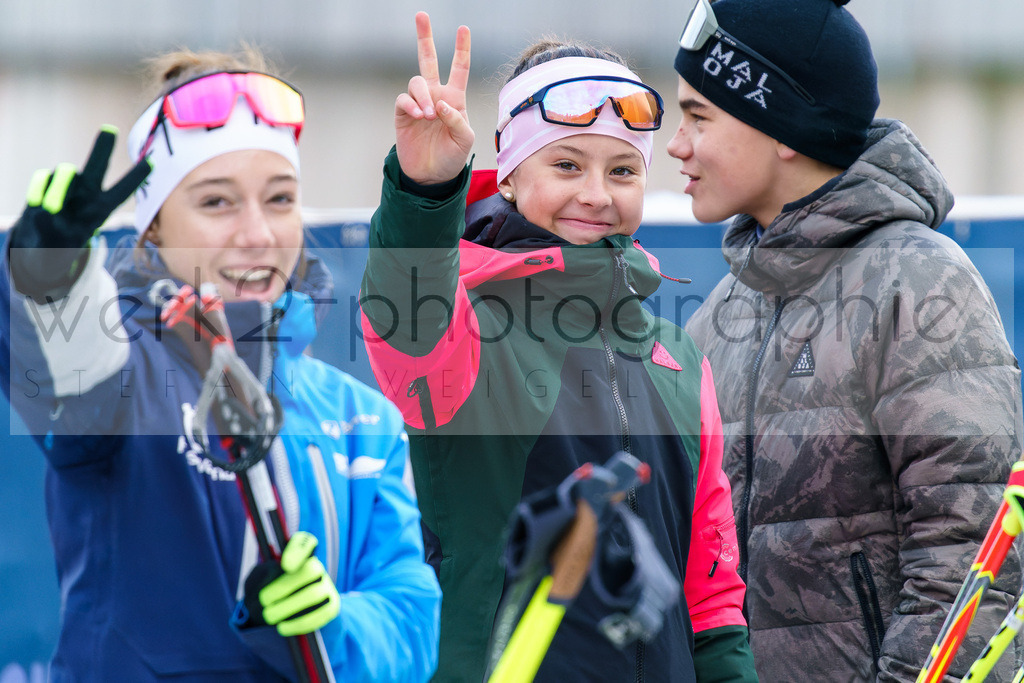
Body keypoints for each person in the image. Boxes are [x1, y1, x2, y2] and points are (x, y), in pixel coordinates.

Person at [0, 48, 441, 681]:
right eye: (216, 203)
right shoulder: (125, 381)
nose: (257, 232)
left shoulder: (360, 417)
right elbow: (75, 366)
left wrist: (334, 623)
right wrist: (54, 273)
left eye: (280, 198)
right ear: (152, 231)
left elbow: (411, 623)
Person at [360, 12, 757, 683]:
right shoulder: (468, 330)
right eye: (567, 164)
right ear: (509, 175)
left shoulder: (678, 361)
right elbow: (404, 318)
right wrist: (423, 190)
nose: (596, 195)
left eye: (623, 170)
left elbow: (711, 598)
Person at [671, 0, 1024, 680]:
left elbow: (972, 550)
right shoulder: (717, 314)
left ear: (780, 127)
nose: (677, 145)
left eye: (698, 116)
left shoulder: (919, 283)